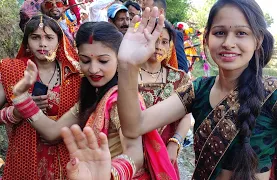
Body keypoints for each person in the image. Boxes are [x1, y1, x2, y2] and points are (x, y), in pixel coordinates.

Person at [116, 1, 277, 179]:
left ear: (257, 41)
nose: (228, 43)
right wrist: (127, 65)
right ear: (206, 39)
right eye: (220, 32)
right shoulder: (198, 90)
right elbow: (134, 126)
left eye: (241, 33)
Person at [11, 21, 178, 179]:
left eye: (103, 61)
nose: (93, 69)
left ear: (120, 59)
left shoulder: (119, 99)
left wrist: (107, 174)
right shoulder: (93, 94)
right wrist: (22, 97)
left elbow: (135, 154)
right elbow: (53, 131)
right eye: (85, 60)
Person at [0, 14, 81, 179]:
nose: (42, 43)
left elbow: (88, 117)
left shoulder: (75, 74)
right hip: (23, 157)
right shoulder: (10, 70)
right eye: (35, 37)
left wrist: (59, 133)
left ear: (60, 41)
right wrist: (16, 112)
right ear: (27, 42)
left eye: (49, 38)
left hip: (66, 157)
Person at [138, 20, 192, 178]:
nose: (158, 46)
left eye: (164, 42)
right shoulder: (127, 75)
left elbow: (186, 115)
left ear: (170, 46)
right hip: (132, 153)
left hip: (165, 155)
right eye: (154, 40)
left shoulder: (179, 78)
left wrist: (175, 143)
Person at [141, 0, 189, 73]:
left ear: (160, 12)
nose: (143, 14)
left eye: (148, 11)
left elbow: (182, 68)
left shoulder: (174, 34)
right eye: (143, 10)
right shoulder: (139, 33)